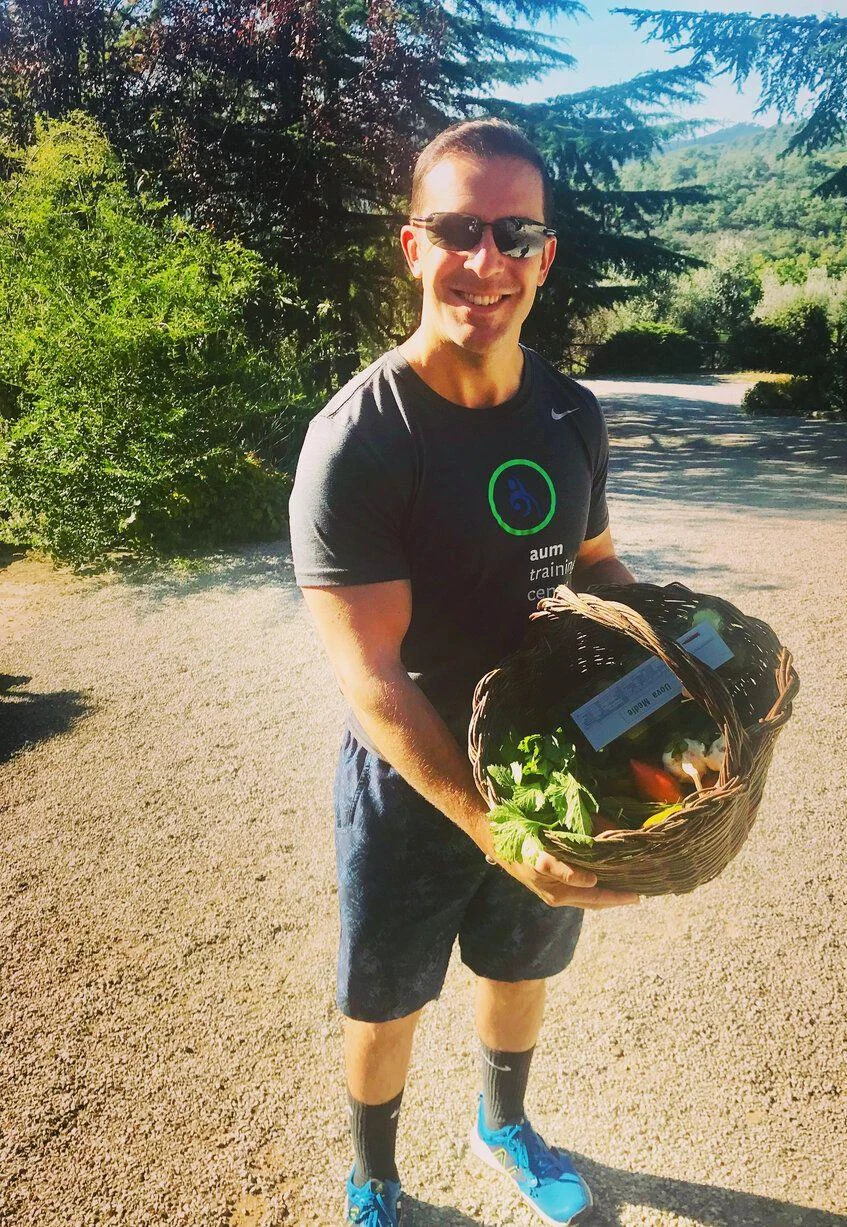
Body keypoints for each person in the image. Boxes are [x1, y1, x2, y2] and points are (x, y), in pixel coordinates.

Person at [289, 119, 639, 1227]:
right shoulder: (362, 438)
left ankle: (502, 1127)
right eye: (455, 230)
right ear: (411, 246)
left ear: (543, 256)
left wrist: (671, 655)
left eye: (513, 233)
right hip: (413, 776)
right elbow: (372, 677)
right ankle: (375, 1179)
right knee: (387, 997)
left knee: (517, 964)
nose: (482, 262)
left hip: (551, 768)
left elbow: (597, 566)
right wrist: (496, 832)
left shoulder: (569, 412)